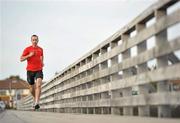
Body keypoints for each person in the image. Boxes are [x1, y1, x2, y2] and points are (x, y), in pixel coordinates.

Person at [20, 35, 44, 110]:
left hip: (39, 69)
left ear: (38, 40)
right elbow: (21, 59)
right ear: (31, 41)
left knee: (39, 85)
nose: (35, 41)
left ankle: (37, 102)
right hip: (30, 70)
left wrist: (42, 62)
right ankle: (35, 98)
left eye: (36, 40)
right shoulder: (27, 49)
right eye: (33, 40)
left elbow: (42, 56)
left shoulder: (40, 49)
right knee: (31, 88)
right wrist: (29, 55)